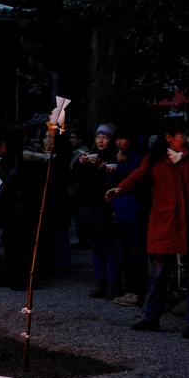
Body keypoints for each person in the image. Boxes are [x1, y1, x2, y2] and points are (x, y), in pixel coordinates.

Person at [107, 119, 189, 338]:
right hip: (164, 223)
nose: (187, 139)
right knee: (160, 274)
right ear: (168, 137)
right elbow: (138, 177)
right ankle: (151, 317)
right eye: (182, 134)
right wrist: (121, 188)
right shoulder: (154, 159)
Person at [70, 123, 120, 299]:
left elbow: (114, 178)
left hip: (106, 206)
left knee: (109, 247)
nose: (100, 140)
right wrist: (81, 162)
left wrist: (101, 166)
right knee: (96, 246)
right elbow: (74, 176)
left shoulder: (115, 156)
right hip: (89, 204)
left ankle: (114, 283)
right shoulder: (90, 154)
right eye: (98, 137)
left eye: (105, 137)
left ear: (111, 139)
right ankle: (100, 281)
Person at [109, 125, 149, 307]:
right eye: (117, 139)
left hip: (136, 210)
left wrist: (120, 166)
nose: (118, 143)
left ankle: (138, 291)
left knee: (136, 253)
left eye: (122, 139)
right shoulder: (122, 155)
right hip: (122, 209)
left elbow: (137, 177)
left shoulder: (140, 155)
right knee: (124, 253)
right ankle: (132, 289)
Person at [0, 130, 32, 291]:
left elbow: (11, 180)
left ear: (4, 145)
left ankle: (20, 278)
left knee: (18, 243)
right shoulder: (13, 157)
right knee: (9, 241)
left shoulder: (17, 158)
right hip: (11, 205)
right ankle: (11, 274)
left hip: (18, 206)